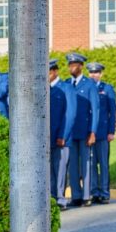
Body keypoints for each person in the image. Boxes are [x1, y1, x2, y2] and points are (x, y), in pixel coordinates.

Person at [63, 53, 99, 208]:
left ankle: (86, 195)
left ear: (81, 66)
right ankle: (76, 195)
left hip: (85, 131)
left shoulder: (89, 84)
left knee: (86, 163)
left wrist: (93, 131)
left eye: (75, 65)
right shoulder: (66, 84)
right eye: (70, 65)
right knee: (72, 166)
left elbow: (95, 109)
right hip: (71, 132)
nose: (72, 67)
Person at [86, 62, 116, 204]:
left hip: (103, 133)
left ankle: (104, 192)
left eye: (96, 72)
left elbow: (112, 111)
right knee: (91, 163)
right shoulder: (86, 87)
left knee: (103, 164)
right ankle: (94, 191)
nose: (94, 75)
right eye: (92, 72)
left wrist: (111, 131)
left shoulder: (107, 89)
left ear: (101, 74)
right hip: (89, 133)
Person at [48, 59, 72, 205]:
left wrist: (63, 135)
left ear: (55, 72)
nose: (47, 75)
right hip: (48, 137)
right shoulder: (47, 89)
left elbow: (69, 114)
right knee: (50, 169)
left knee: (60, 169)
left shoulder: (64, 88)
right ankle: (52, 197)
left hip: (60, 137)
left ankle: (61, 199)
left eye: (49, 72)